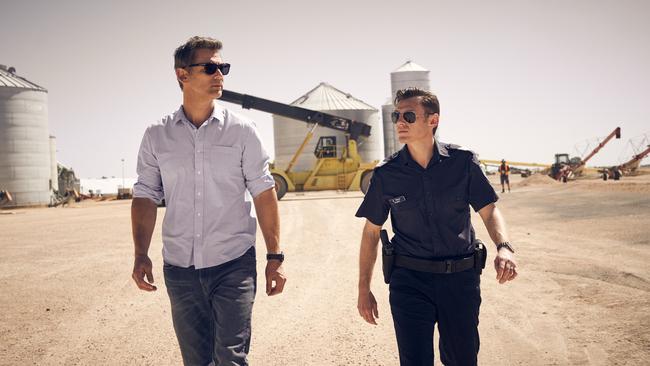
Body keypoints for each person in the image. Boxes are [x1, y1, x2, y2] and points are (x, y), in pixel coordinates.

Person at [131, 36, 286, 366]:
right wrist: (140, 253)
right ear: (182, 75)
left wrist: (275, 255)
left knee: (230, 358)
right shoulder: (157, 135)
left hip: (233, 264)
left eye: (223, 67)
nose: (220, 75)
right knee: (196, 361)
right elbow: (145, 195)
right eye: (210, 67)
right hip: (180, 270)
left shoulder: (243, 131)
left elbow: (263, 192)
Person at [356, 87, 517, 366]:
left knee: (462, 360)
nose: (399, 122)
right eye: (396, 116)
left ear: (433, 120)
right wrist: (363, 289)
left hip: (460, 280)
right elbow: (371, 233)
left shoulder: (463, 163)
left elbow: (489, 211)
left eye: (409, 115)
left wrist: (504, 248)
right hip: (409, 282)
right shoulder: (386, 174)